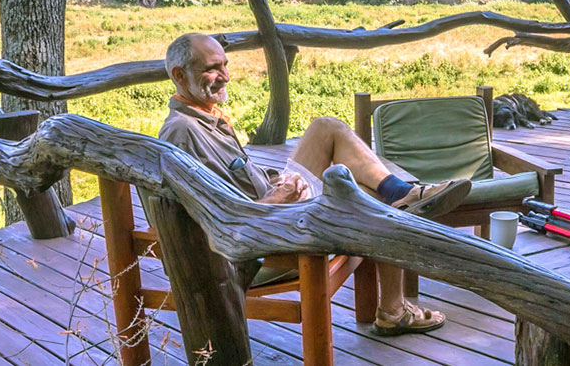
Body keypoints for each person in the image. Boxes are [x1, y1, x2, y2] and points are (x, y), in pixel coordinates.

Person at [158, 32, 471, 336]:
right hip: (264, 240)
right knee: (368, 199)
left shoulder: (203, 117)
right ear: (179, 75)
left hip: (275, 209)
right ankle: (394, 301)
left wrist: (276, 182)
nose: (225, 75)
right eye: (212, 68)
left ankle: (404, 198)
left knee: (326, 129)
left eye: (225, 64)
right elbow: (224, 221)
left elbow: (235, 178)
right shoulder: (183, 134)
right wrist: (277, 200)